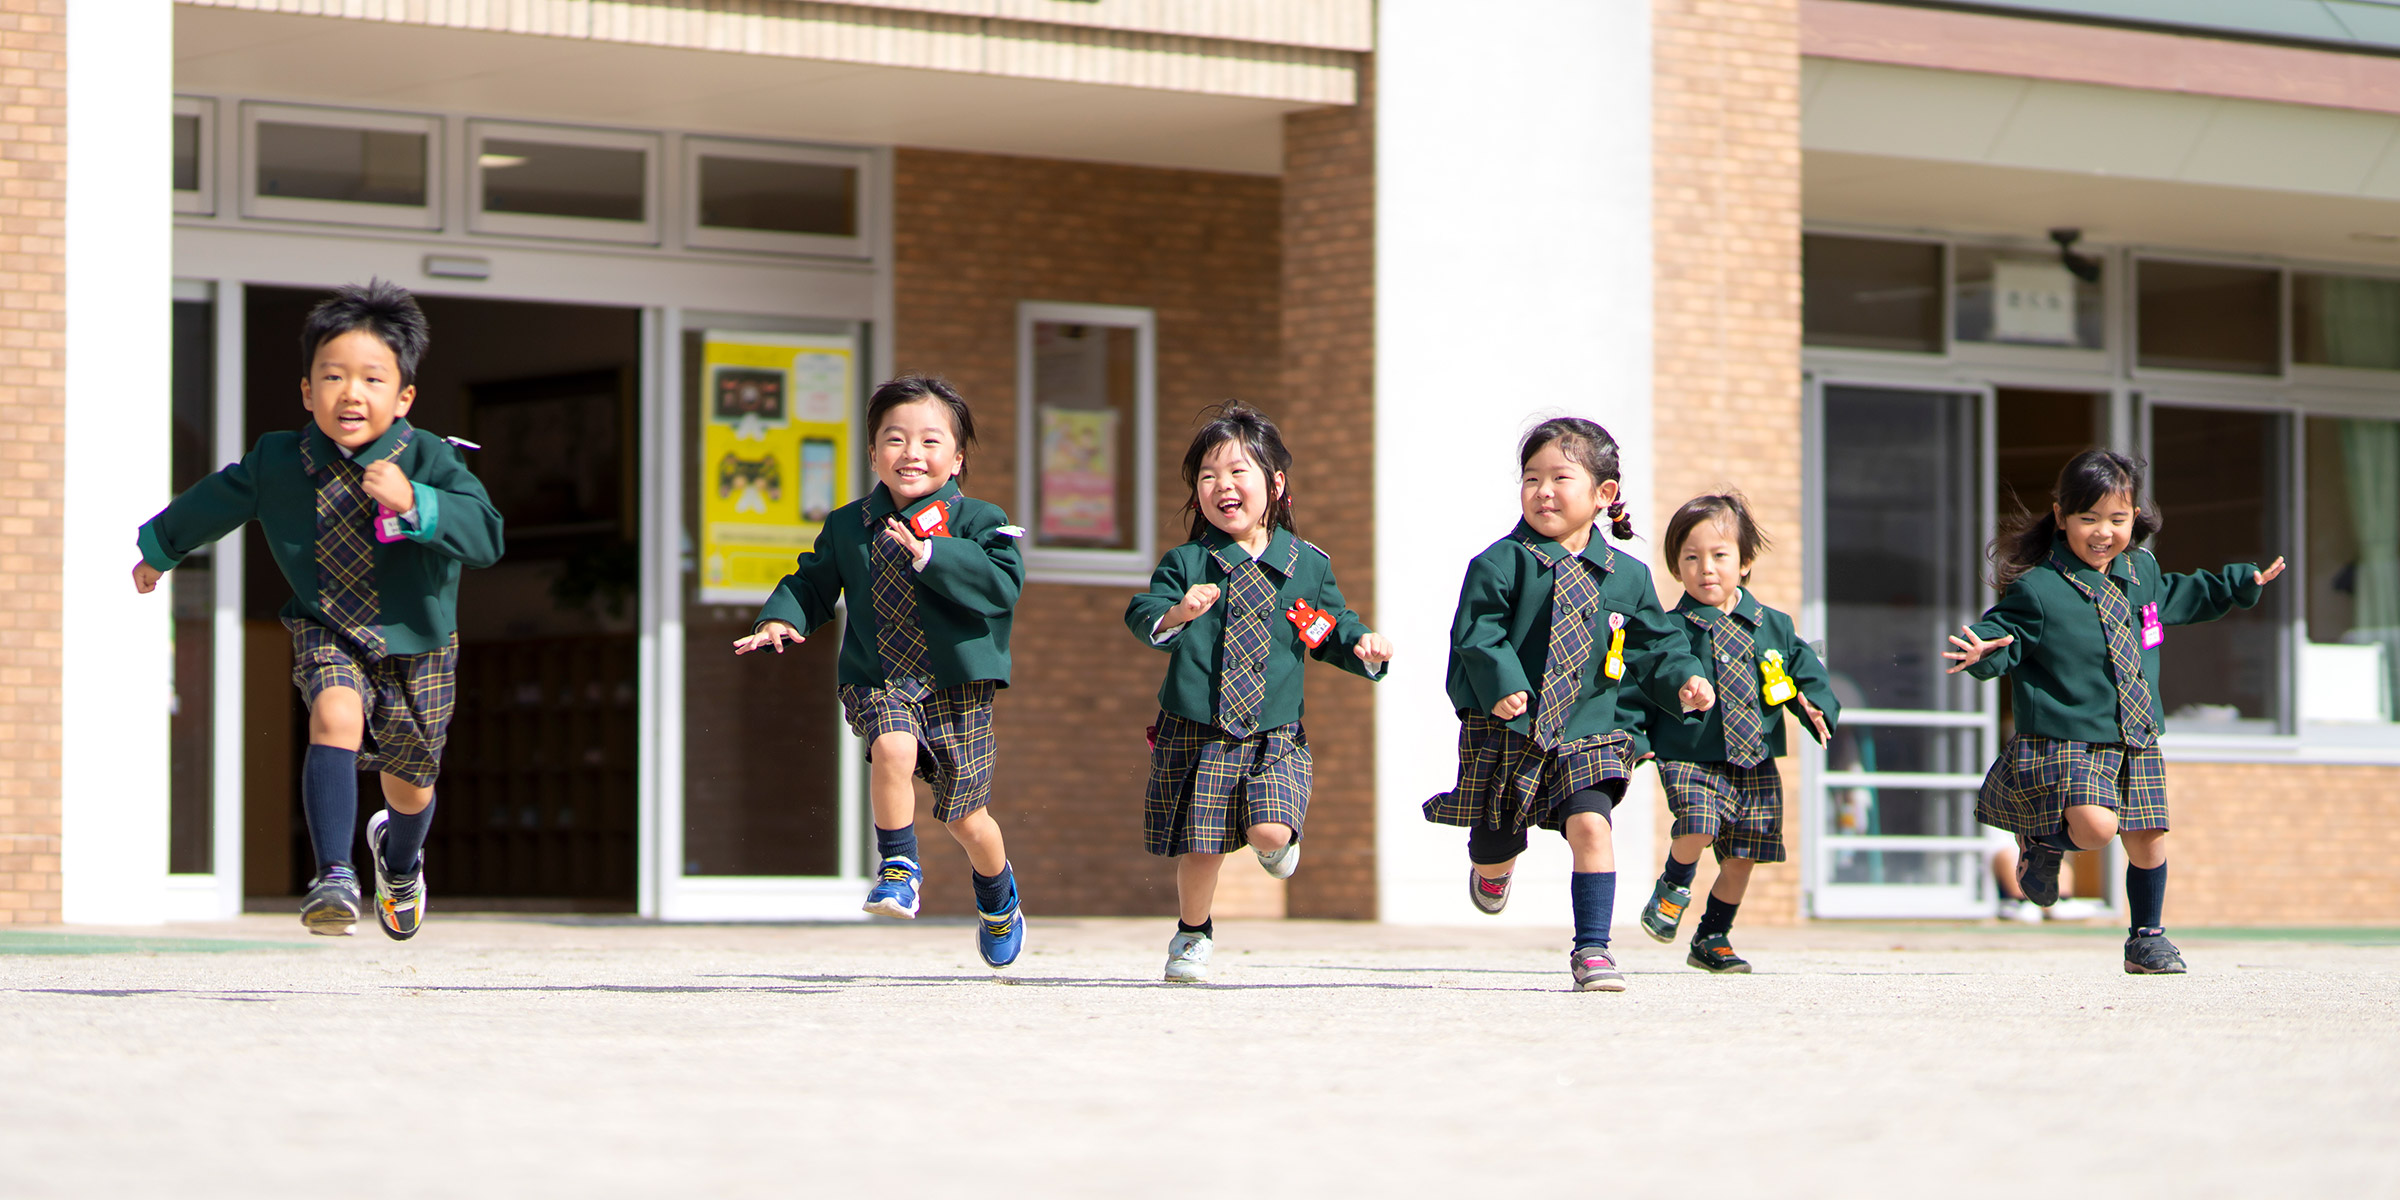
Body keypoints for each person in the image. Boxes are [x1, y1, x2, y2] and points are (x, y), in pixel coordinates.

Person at [134, 280, 504, 939]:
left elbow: (486, 537)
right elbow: (216, 501)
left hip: (420, 641)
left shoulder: (431, 460)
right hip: (328, 623)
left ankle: (399, 860)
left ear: (403, 396)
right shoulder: (280, 458)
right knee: (335, 716)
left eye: (371, 378)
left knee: (410, 784)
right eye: (332, 377)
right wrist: (160, 549)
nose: (350, 393)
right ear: (308, 391)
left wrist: (416, 501)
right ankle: (334, 874)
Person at [1944, 448, 2284, 974]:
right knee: (2100, 830)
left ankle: (2146, 941)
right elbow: (2002, 633)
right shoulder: (2038, 588)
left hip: (2136, 731)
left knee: (2148, 837)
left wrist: (2239, 585)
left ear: (2133, 519)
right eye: (2089, 518)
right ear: (2060, 516)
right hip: (2066, 736)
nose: (2103, 532)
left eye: (2117, 519)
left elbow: (2180, 594)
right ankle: (2041, 838)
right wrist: (1981, 650)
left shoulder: (2140, 571)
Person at [737, 375, 1029, 969]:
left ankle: (999, 897)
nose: (911, 454)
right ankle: (898, 868)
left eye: (929, 441)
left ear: (957, 458)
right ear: (873, 454)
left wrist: (931, 553)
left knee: (968, 819)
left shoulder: (981, 520)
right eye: (895, 440)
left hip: (957, 687)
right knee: (891, 747)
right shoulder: (848, 525)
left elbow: (1002, 585)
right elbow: (811, 581)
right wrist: (780, 619)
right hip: (879, 677)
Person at [1424, 418, 1715, 992]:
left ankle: (1593, 950)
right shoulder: (1500, 562)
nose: (1543, 491)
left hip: (1589, 728)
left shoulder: (1627, 575)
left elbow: (1658, 642)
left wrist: (1685, 678)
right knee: (1493, 844)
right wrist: (1501, 682)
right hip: (1510, 732)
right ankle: (1493, 870)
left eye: (1561, 477)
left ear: (1603, 495)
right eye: (1531, 478)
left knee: (1591, 825)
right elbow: (1477, 634)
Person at [1126, 403, 1391, 982]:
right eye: (1207, 477)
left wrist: (1364, 646)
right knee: (1203, 850)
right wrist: (1178, 611)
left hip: (1274, 733)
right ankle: (1192, 935)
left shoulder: (1306, 564)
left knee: (1270, 829)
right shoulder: (1188, 562)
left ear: (1274, 484)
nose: (1223, 486)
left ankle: (1275, 844)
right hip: (1197, 727)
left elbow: (1331, 627)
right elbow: (1142, 613)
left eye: (1238, 472)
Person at [1628, 493, 1837, 973]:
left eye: (1720, 556)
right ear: (1676, 568)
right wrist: (1636, 743)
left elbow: (1807, 672)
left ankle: (1712, 937)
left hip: (1755, 758)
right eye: (1691, 558)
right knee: (1698, 823)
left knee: (1744, 853)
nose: (1706, 569)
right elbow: (1639, 687)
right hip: (1690, 755)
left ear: (1744, 563)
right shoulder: (1669, 630)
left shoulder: (1774, 625)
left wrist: (1815, 706)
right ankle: (1675, 884)